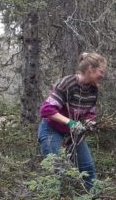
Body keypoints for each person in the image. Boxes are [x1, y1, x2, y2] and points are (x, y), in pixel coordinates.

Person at [38, 52, 107, 191]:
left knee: (87, 168)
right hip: (52, 130)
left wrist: (90, 122)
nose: (103, 75)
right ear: (90, 69)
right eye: (101, 71)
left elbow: (90, 113)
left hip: (73, 132)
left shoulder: (93, 90)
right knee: (57, 170)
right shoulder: (68, 83)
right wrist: (71, 123)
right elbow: (46, 110)